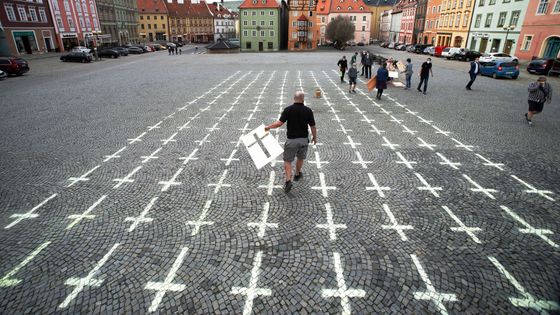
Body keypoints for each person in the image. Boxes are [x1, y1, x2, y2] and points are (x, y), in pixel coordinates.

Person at [265, 91, 317, 193]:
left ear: (294, 99)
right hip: (303, 141)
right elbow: (313, 126)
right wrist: (314, 137)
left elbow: (279, 123)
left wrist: (268, 127)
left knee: (288, 161)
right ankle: (297, 173)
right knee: (300, 158)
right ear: (303, 99)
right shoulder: (308, 111)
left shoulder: (288, 110)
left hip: (291, 141)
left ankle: (288, 180)